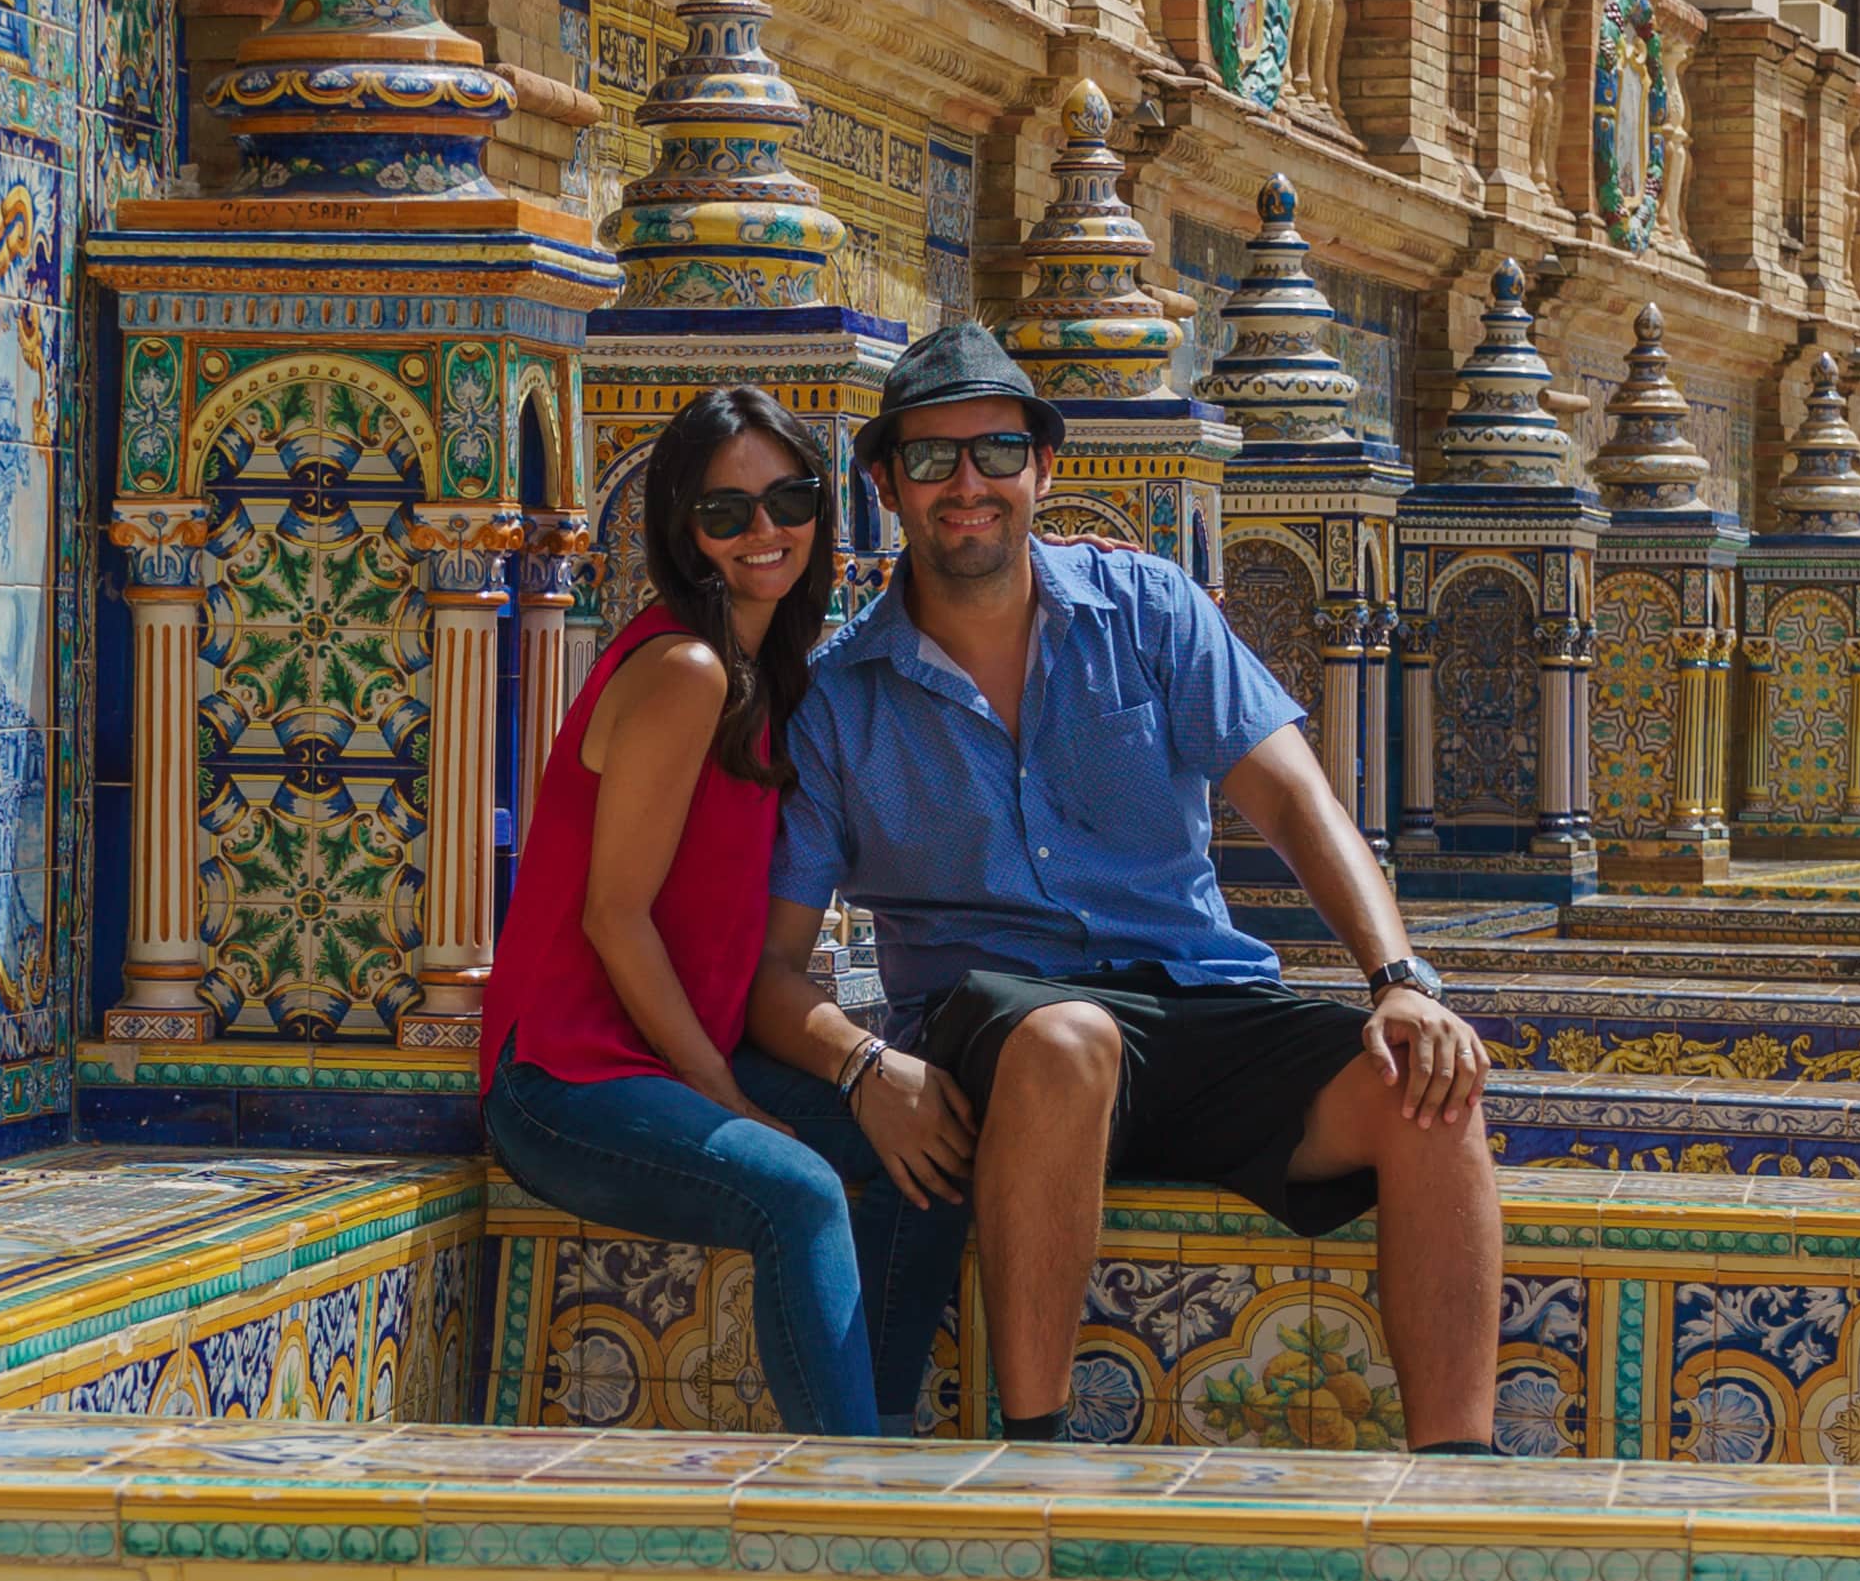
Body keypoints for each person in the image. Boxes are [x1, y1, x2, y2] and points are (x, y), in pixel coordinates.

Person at [748, 322, 1504, 1451]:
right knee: (1066, 1039)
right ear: (882, 487)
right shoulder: (834, 697)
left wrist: (1397, 980)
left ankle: (1461, 1470)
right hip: (996, 1033)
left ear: (1041, 472)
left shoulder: (1144, 611)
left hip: (1198, 1003)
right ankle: (1034, 1449)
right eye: (930, 459)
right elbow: (766, 968)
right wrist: (865, 1069)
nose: (968, 485)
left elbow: (1297, 803)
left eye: (997, 453)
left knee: (1427, 1087)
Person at [481, 385, 974, 1437]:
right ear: (684, 532)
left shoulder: (770, 676)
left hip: (664, 1061)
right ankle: (844, 1514)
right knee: (792, 1189)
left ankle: (874, 1450)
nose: (765, 533)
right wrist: (723, 1100)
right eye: (725, 513)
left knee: (922, 1155)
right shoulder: (686, 670)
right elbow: (615, 916)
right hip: (567, 1081)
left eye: (788, 500)